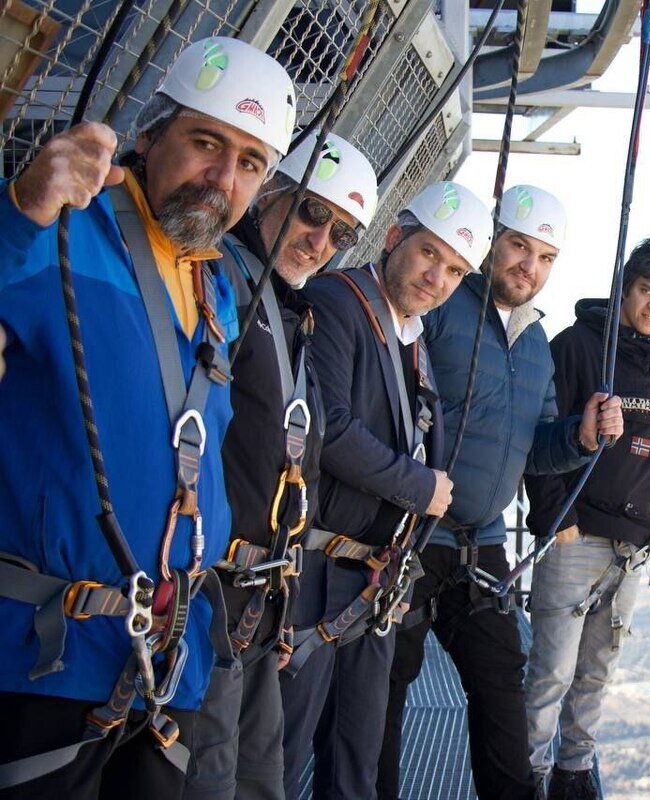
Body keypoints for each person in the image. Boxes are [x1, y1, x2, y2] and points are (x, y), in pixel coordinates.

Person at [0, 37, 295, 798]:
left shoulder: (217, 289)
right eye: (207, 143)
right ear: (150, 133)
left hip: (171, 659)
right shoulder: (60, 227)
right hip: (49, 659)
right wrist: (18, 217)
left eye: (251, 163)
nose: (223, 179)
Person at [377, 185, 624, 800]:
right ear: (490, 241)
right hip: (411, 532)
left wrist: (582, 437)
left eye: (545, 258)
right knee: (384, 688)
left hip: (480, 547)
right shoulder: (440, 305)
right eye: (518, 246)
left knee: (501, 689)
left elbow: (533, 447)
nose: (529, 267)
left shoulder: (536, 342)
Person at [279, 180, 493, 800]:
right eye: (430, 254)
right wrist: (420, 485)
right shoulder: (337, 302)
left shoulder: (411, 338)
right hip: (315, 572)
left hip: (370, 579)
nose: (438, 277)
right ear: (396, 237)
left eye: (454, 270)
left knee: (358, 760)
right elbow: (327, 427)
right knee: (282, 750)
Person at [182, 133, 379, 800]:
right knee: (210, 779)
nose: (320, 240)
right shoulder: (222, 280)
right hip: (208, 594)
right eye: (312, 213)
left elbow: (298, 468)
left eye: (341, 233)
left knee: (261, 780)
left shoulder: (293, 315)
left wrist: (286, 600)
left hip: (261, 602)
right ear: (269, 195)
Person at [523, 238, 650, 800]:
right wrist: (551, 520)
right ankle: (529, 778)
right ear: (624, 287)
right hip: (575, 534)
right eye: (646, 291)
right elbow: (538, 435)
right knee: (551, 671)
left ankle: (573, 772)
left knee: (596, 670)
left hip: (632, 544)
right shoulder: (576, 347)